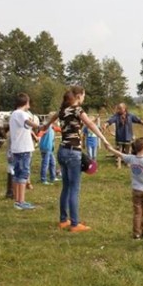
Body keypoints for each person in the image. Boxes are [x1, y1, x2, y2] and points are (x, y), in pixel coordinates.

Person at [42, 86, 111, 232]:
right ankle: (74, 224)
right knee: (74, 188)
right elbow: (90, 124)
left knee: (66, 187)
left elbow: (51, 119)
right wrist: (103, 139)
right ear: (79, 96)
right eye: (84, 95)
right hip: (73, 153)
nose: (84, 98)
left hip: (62, 151)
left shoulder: (62, 110)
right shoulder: (78, 110)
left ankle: (63, 220)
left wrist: (45, 126)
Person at [9, 93, 41, 210]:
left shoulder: (14, 114)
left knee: (17, 175)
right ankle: (21, 201)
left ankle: (18, 201)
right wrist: (39, 126)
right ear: (25, 103)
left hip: (18, 149)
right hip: (23, 149)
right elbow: (28, 122)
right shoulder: (21, 113)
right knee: (23, 174)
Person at [103, 103, 143, 169]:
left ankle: (127, 163)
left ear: (124, 108)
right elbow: (111, 120)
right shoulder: (116, 116)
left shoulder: (130, 115)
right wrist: (105, 124)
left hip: (128, 137)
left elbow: (138, 120)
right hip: (119, 137)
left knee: (128, 152)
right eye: (118, 108)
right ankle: (118, 164)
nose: (118, 110)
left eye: (120, 108)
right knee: (119, 151)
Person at [38, 118, 60, 185]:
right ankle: (43, 179)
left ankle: (53, 177)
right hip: (45, 147)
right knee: (45, 164)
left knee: (52, 163)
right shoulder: (47, 126)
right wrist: (39, 135)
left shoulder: (52, 127)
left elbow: (58, 129)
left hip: (50, 148)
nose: (57, 121)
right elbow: (40, 133)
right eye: (56, 120)